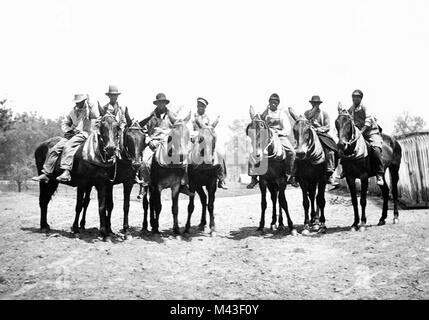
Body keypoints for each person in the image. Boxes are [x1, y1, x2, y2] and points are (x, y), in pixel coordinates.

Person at [32, 94, 98, 182]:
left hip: (83, 133)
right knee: (55, 148)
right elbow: (65, 123)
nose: (78, 104)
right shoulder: (72, 112)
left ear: (83, 101)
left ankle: (66, 171)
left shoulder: (88, 111)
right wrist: (69, 130)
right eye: (77, 102)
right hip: (71, 135)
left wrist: (90, 103)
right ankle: (46, 173)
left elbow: (95, 115)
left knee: (68, 146)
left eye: (80, 102)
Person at [138, 93, 194, 196]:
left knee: (184, 159)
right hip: (154, 141)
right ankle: (145, 184)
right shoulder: (150, 116)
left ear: (165, 103)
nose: (161, 104)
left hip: (169, 141)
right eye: (159, 102)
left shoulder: (171, 115)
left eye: (163, 102)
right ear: (157, 103)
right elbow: (144, 131)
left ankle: (182, 184)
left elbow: (178, 127)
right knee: (145, 161)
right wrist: (149, 140)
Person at [247, 93, 297, 188]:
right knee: (253, 152)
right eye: (271, 102)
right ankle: (254, 177)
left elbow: (287, 128)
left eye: (275, 102)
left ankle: (291, 176)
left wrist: (280, 132)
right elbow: (259, 124)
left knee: (292, 152)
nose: (273, 104)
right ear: (269, 103)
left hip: (280, 136)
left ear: (278, 104)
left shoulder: (282, 114)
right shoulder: (265, 114)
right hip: (266, 137)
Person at [347, 89, 384, 185]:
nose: (354, 99)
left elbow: (368, 120)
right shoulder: (352, 108)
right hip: (359, 133)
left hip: (371, 132)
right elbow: (347, 116)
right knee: (346, 148)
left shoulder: (365, 107)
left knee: (376, 150)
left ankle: (379, 173)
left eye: (357, 97)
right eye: (353, 97)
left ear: (360, 98)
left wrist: (361, 131)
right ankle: (345, 170)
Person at [190, 97, 228, 189]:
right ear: (197, 106)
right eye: (199, 106)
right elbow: (192, 130)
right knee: (185, 154)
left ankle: (221, 179)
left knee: (219, 153)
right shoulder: (193, 117)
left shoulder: (208, 118)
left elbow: (211, 129)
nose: (200, 108)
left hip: (207, 140)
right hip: (196, 139)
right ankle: (184, 179)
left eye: (202, 106)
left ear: (205, 108)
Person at [303, 95, 339, 185]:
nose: (315, 105)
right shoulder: (307, 113)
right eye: (314, 103)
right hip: (309, 135)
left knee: (331, 150)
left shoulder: (324, 114)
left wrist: (318, 129)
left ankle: (330, 172)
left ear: (319, 104)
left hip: (321, 134)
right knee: (299, 149)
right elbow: (302, 124)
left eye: (317, 103)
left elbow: (327, 126)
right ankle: (295, 174)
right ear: (311, 103)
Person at [102, 85, 127, 151]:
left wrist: (121, 127)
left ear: (117, 96)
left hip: (118, 130)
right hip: (108, 130)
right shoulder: (105, 108)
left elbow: (123, 120)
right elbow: (101, 119)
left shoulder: (120, 108)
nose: (113, 97)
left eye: (115, 95)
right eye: (112, 95)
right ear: (109, 96)